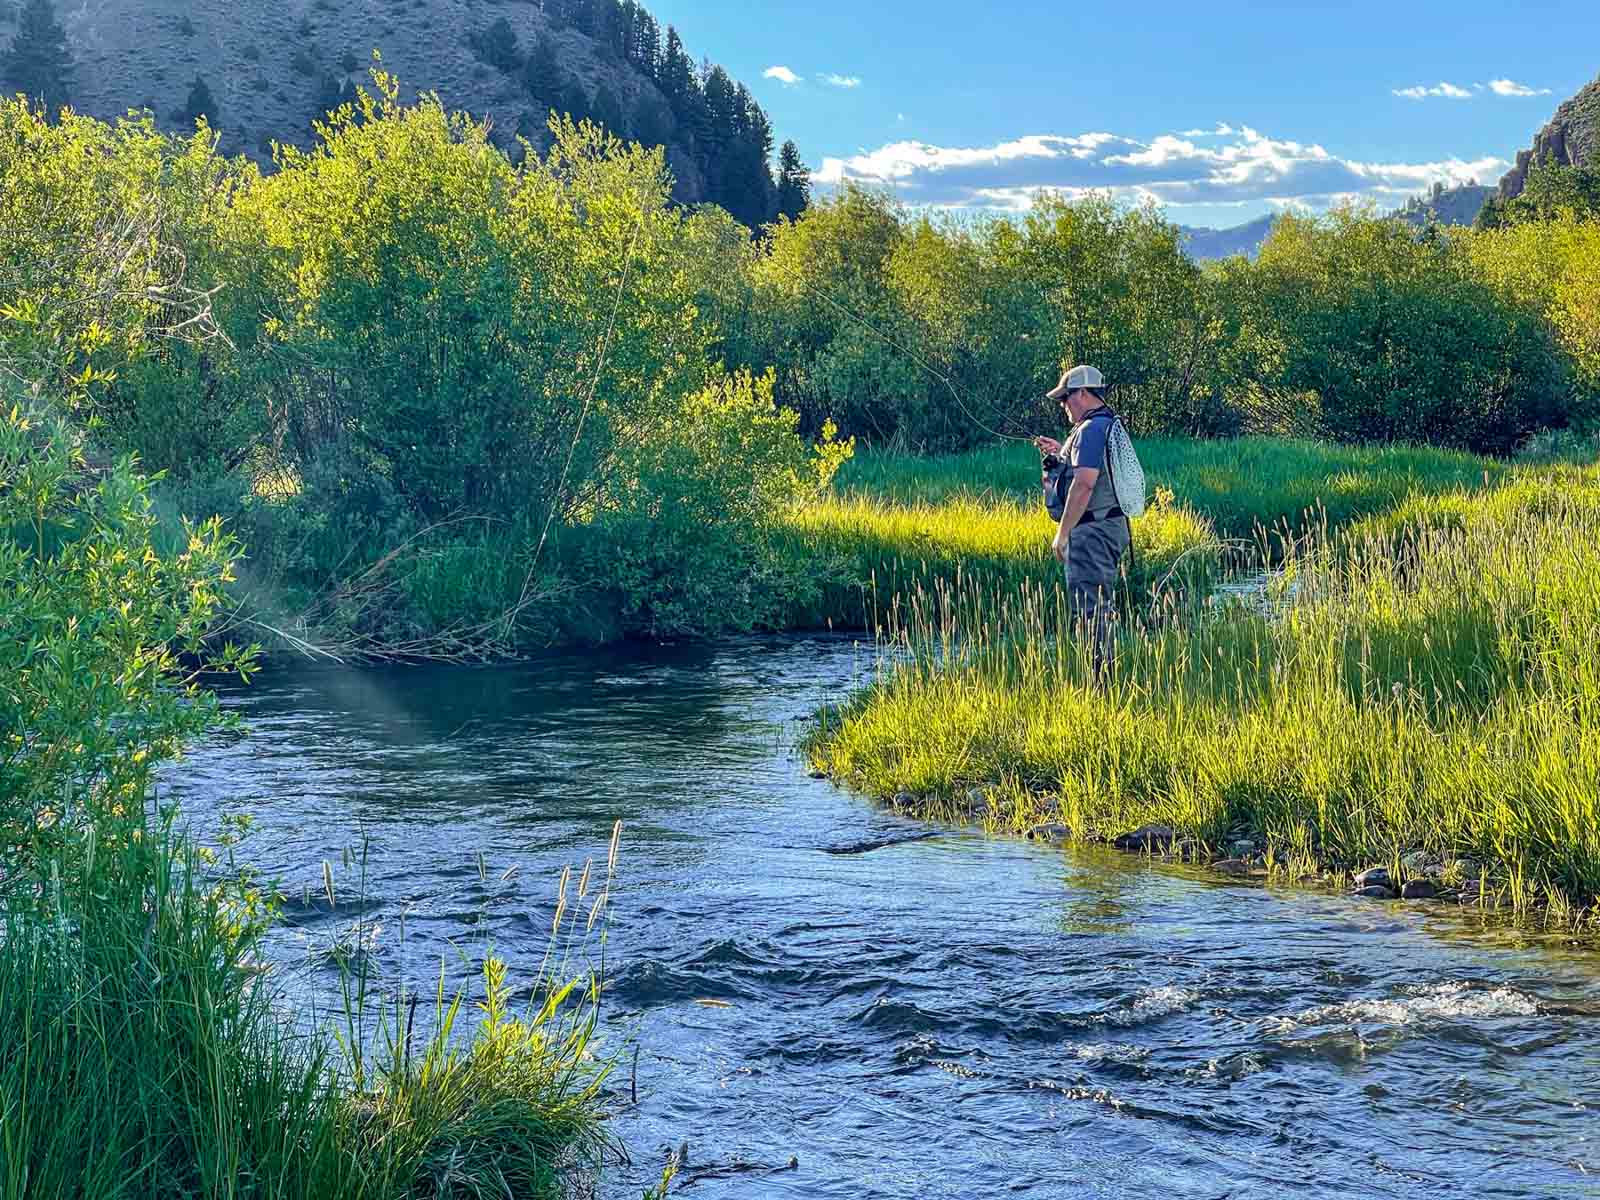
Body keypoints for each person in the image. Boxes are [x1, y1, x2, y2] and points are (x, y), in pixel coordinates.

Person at [1033, 365, 1130, 683]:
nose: (1064, 405)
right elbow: (1087, 469)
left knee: (1091, 612)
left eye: (1066, 398)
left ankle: (1103, 688)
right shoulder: (1105, 425)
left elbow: (1085, 484)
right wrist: (1059, 452)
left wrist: (1062, 535)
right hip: (1109, 527)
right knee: (1097, 608)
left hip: (1092, 532)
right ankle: (1106, 682)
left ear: (1085, 394)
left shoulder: (1090, 430)